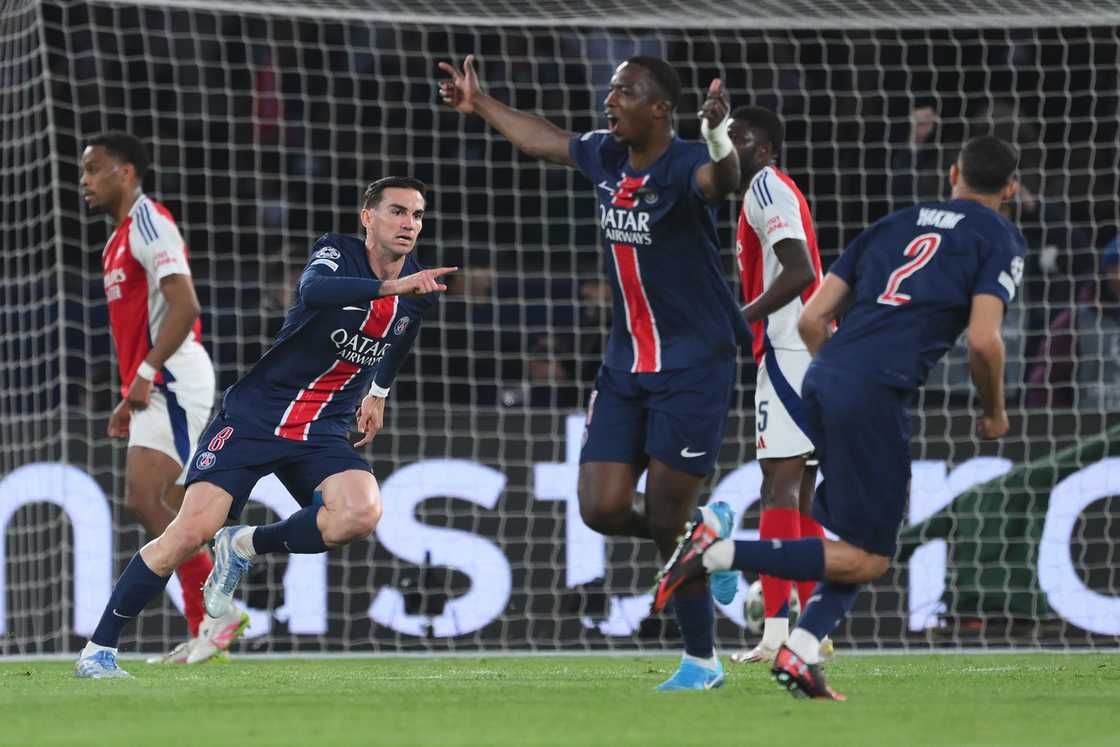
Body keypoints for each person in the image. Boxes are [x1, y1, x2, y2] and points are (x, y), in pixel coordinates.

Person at [653, 135, 1026, 699]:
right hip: (874, 392)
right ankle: (716, 553)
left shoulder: (893, 225)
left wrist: (839, 379)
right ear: (1011, 189)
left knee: (862, 546)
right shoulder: (999, 236)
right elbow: (983, 341)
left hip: (827, 374)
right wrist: (994, 412)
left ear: (953, 175)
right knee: (866, 552)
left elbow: (812, 321)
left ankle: (799, 652)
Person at [439, 54, 747, 690]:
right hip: (623, 366)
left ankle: (701, 661)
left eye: (626, 91)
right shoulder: (606, 155)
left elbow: (724, 181)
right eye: (611, 89)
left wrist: (719, 133)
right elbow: (544, 139)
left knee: (665, 520)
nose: (612, 100)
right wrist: (483, 103)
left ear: (660, 109)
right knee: (601, 509)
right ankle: (707, 538)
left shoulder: (687, 163)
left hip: (693, 367)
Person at [74, 176, 455, 678]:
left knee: (359, 514)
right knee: (189, 531)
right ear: (369, 217)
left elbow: (401, 336)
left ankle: (244, 545)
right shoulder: (336, 253)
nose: (410, 224)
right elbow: (314, 291)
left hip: (322, 428)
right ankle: (99, 650)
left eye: (417, 215)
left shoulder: (417, 291)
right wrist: (390, 286)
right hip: (256, 415)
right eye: (398, 212)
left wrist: (378, 393)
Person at [80, 131, 246, 665]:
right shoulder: (115, 239)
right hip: (154, 383)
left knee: (163, 505)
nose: (84, 181)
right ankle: (210, 625)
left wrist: (148, 372)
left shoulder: (149, 222)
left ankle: (215, 617)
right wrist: (131, 392)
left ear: (124, 173)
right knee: (158, 505)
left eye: (93, 169)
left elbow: (186, 305)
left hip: (175, 376)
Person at [724, 106, 831, 664]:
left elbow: (799, 271)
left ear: (764, 149)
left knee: (778, 486)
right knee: (803, 491)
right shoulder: (769, 187)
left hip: (789, 350)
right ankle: (813, 630)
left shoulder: (764, 187)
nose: (730, 145)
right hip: (806, 350)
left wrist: (739, 317)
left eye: (739, 138)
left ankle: (776, 632)